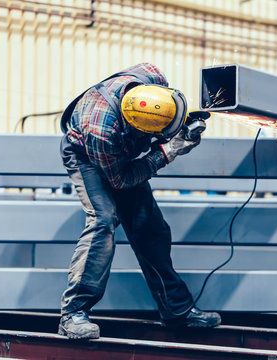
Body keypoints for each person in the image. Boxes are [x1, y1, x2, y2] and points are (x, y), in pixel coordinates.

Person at [57, 63, 221, 339]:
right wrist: (168, 151)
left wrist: (180, 124)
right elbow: (121, 180)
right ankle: (73, 314)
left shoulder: (151, 75)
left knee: (150, 227)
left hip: (121, 149)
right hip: (86, 155)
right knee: (104, 220)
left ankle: (177, 311)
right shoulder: (101, 133)